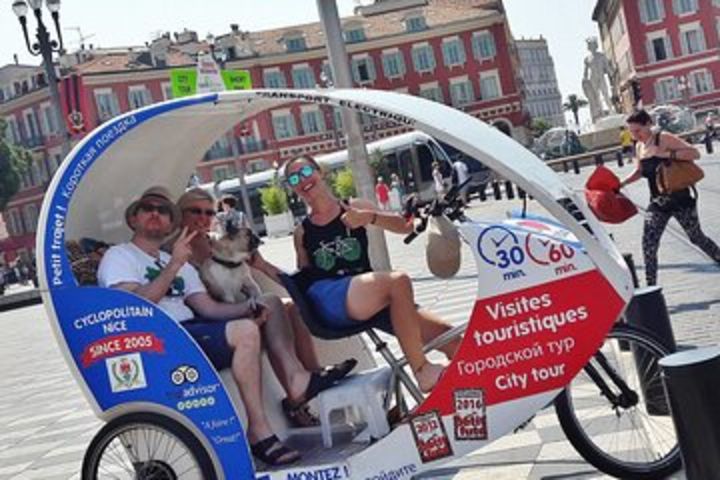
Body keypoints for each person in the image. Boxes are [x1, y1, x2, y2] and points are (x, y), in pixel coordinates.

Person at [97, 186, 347, 466]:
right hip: (157, 339)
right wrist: (174, 265)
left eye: (163, 211)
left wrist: (249, 309)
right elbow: (136, 306)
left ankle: (298, 383)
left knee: (268, 305)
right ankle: (259, 432)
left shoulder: (175, 259)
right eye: (148, 209)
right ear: (133, 219)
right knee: (245, 331)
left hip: (193, 329)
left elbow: (209, 308)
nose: (156, 213)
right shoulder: (120, 257)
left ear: (171, 221)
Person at [251, 156, 462, 393]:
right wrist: (263, 265)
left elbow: (404, 226)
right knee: (397, 281)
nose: (303, 180)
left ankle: (460, 402)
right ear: (292, 188)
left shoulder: (355, 206)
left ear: (320, 172)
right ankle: (422, 370)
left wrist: (369, 217)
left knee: (453, 341)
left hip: (371, 295)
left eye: (306, 171)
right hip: (331, 296)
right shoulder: (302, 232)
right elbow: (303, 279)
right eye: (294, 178)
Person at [173, 188, 354, 427]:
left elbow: (244, 277)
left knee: (293, 307)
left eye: (209, 212)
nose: (203, 217)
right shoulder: (175, 251)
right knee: (271, 303)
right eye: (195, 211)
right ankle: (298, 389)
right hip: (209, 321)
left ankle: (311, 375)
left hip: (232, 308)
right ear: (179, 214)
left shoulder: (219, 243)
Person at [619, 110, 720, 286]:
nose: (635, 135)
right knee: (649, 243)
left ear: (648, 124)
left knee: (696, 237)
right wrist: (621, 184)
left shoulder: (663, 138)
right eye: (632, 132)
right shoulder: (639, 146)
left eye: (638, 130)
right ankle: (652, 288)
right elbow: (640, 171)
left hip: (680, 198)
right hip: (658, 202)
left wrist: (665, 154)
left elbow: (694, 154)